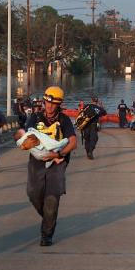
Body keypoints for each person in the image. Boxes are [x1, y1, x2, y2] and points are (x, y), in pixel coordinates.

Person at [23, 86, 77, 246]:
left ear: (59, 104)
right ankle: (49, 218)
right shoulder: (35, 117)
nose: (50, 106)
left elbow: (73, 142)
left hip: (57, 163)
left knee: (52, 200)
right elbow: (26, 136)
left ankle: (46, 234)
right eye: (47, 102)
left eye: (54, 104)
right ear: (44, 102)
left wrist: (58, 155)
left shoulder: (64, 120)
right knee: (33, 194)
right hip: (37, 162)